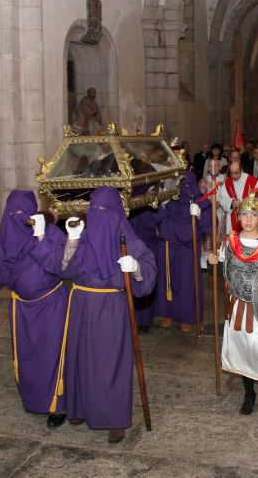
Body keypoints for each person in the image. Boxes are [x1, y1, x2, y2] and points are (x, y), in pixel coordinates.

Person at [59, 187, 156, 443]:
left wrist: (136, 268)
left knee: (111, 362)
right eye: (93, 209)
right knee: (82, 358)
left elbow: (148, 266)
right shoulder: (84, 236)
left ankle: (115, 419)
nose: (97, 214)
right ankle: (80, 407)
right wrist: (71, 241)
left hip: (111, 307)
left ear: (114, 212)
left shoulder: (128, 239)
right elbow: (65, 271)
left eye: (102, 209)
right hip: (82, 305)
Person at [0, 190, 69, 428]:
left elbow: (63, 267)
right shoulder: (3, 241)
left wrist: (41, 240)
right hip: (21, 308)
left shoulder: (50, 232)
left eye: (22, 213)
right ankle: (33, 400)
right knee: (28, 357)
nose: (16, 217)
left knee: (52, 355)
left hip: (51, 305)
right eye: (12, 213)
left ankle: (57, 406)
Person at [208, 193, 258, 415]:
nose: (249, 219)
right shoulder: (230, 242)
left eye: (253, 214)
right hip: (237, 307)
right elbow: (220, 260)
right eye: (244, 214)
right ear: (238, 217)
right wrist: (213, 259)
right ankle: (248, 394)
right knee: (243, 350)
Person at [155, 172, 211, 332]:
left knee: (187, 283)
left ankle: (187, 317)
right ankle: (169, 314)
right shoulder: (170, 199)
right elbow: (156, 219)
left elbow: (208, 224)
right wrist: (162, 205)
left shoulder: (201, 201)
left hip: (188, 249)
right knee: (168, 280)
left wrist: (199, 215)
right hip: (168, 246)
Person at [217, 161, 258, 234]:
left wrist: (245, 203)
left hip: (249, 218)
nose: (234, 176)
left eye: (236, 173)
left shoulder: (252, 181)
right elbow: (222, 199)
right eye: (231, 173)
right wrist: (231, 203)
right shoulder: (227, 182)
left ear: (241, 171)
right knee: (233, 241)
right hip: (232, 219)